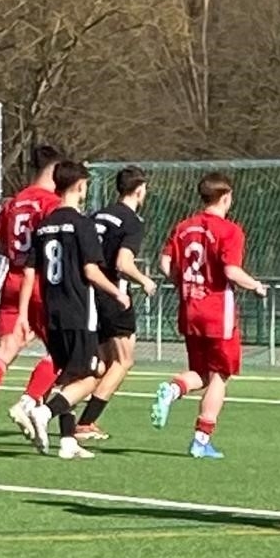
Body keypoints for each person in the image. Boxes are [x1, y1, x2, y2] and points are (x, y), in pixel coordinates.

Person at [15, 161, 130, 459]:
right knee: (93, 373)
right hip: (79, 310)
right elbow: (90, 271)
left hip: (52, 310)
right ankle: (44, 412)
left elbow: (29, 272)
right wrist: (117, 292)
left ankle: (67, 441)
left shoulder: (44, 225)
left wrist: (24, 315)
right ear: (80, 186)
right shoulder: (82, 224)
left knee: (69, 376)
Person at [149, 172, 268, 458]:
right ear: (226, 197)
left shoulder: (183, 227)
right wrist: (255, 285)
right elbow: (231, 271)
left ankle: (174, 389)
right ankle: (201, 440)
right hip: (217, 313)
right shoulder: (230, 230)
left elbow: (164, 262)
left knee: (201, 372)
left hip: (190, 309)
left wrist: (181, 282)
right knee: (220, 375)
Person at [0, 144, 64, 451]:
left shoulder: (15, 201)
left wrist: (14, 254)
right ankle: (27, 402)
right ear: (54, 170)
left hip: (13, 280)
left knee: (4, 350)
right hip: (41, 284)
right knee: (61, 351)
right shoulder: (52, 203)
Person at [75, 166, 158, 442]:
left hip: (91, 292)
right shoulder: (131, 221)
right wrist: (144, 280)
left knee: (102, 364)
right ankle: (84, 422)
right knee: (123, 362)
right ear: (139, 189)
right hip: (114, 294)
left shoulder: (97, 214)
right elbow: (123, 263)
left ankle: (56, 403)